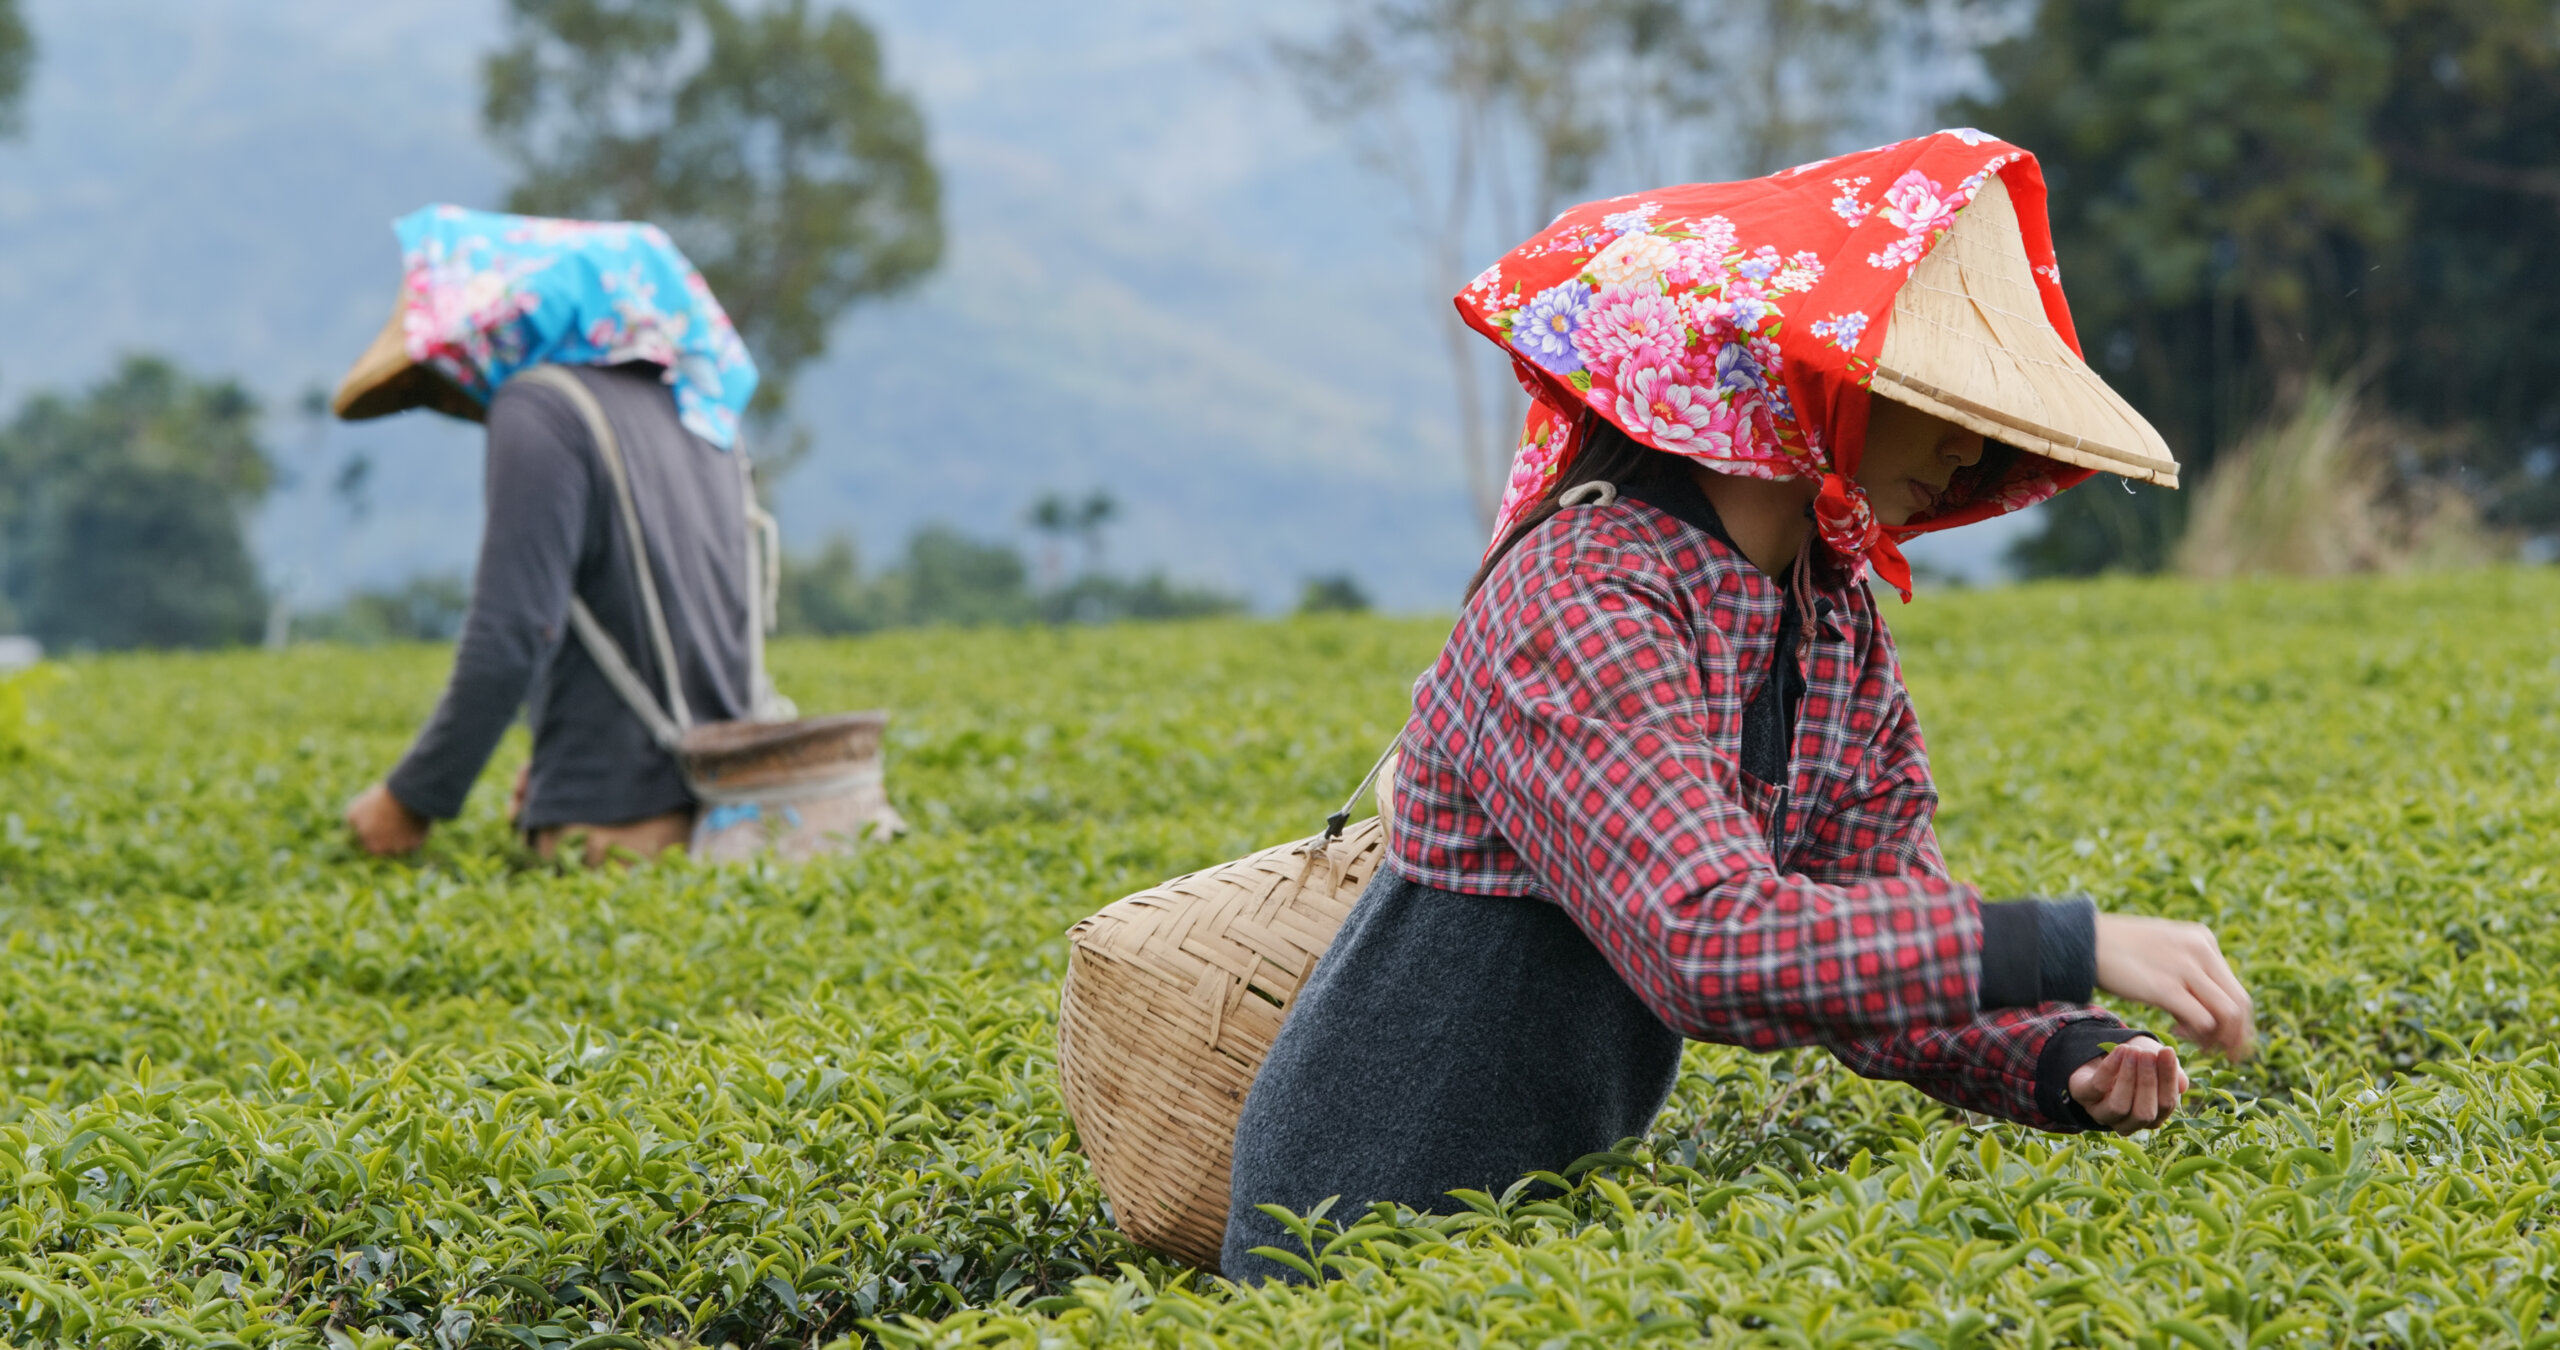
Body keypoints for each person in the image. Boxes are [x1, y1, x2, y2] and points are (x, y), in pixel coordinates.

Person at [1223, 132, 2252, 1281]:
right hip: (1358, 1234)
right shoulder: (1582, 593)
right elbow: (1705, 940)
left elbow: (1876, 925)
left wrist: (2058, 1049)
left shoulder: (1827, 616)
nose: (1966, 449)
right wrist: (2069, 939)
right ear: (1811, 378)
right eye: (1931, 398)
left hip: (1545, 1228)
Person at [333, 205, 766, 864]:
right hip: (725, 810)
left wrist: (411, 798)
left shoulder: (542, 407)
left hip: (617, 833)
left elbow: (513, 634)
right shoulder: (695, 408)